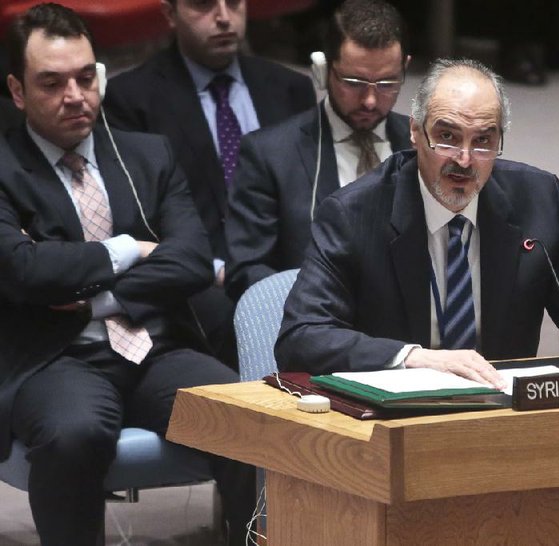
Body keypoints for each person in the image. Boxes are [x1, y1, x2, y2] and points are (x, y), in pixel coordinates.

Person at [0, 4, 253, 544]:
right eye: (52, 82)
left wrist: (94, 298)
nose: (75, 95)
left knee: (249, 415)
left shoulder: (147, 154)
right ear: (18, 92)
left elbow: (190, 260)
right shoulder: (3, 168)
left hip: (155, 347)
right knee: (74, 435)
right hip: (57, 358)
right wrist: (129, 249)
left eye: (86, 77)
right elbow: (23, 271)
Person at [275, 58, 559, 385]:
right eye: (447, 137)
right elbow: (302, 336)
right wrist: (415, 358)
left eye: (483, 140)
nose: (465, 159)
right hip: (394, 425)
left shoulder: (538, 200)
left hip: (502, 423)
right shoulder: (354, 213)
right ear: (416, 132)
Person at [102, 0, 317, 367]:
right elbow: (138, 214)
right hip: (198, 276)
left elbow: (307, 197)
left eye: (233, 3)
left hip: (284, 267)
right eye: (203, 5)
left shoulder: (289, 88)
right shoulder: (131, 98)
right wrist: (214, 267)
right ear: (170, 15)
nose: (223, 17)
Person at [224, 0, 412, 300]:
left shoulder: (424, 145)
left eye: (387, 83)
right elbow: (246, 269)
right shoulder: (269, 154)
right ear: (322, 71)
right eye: (354, 83)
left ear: (405, 68)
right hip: (311, 326)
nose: (370, 101)